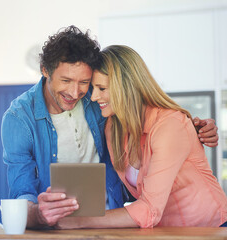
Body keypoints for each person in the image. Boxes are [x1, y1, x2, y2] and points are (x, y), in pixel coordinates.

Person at [1, 26, 219, 229]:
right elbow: (22, 192)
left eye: (86, 83)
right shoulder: (19, 118)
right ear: (45, 70)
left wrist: (192, 128)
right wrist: (38, 215)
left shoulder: (99, 104)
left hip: (188, 227)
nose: (78, 93)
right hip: (68, 225)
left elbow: (150, 114)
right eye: (66, 80)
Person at [56, 45, 227, 229]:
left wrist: (80, 221)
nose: (95, 96)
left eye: (102, 88)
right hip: (166, 232)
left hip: (212, 229)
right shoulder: (113, 128)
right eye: (93, 88)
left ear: (127, 86)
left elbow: (150, 209)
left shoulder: (170, 125)